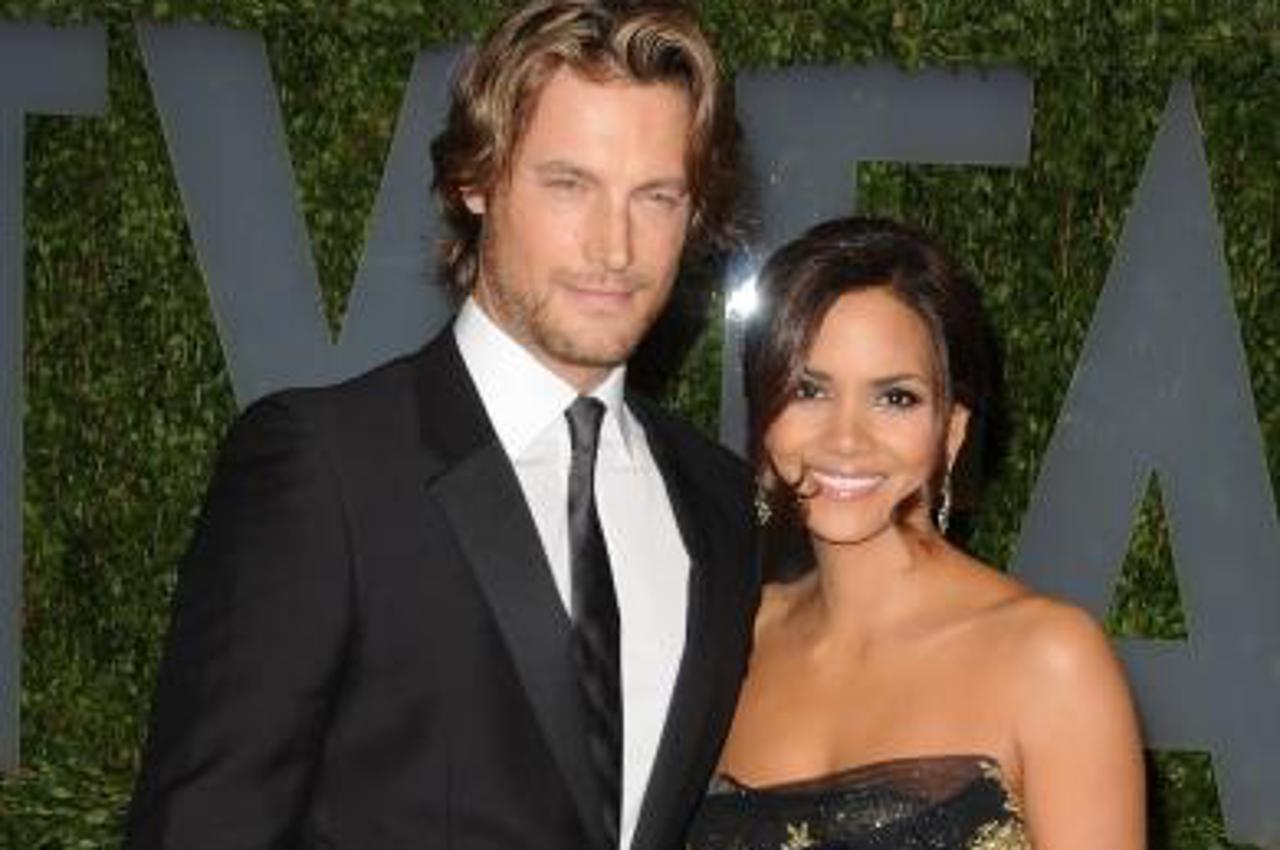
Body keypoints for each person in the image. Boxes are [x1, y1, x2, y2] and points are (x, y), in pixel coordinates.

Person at [125, 3, 758, 849]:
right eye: (569, 184)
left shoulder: (715, 498)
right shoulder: (327, 468)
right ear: (476, 179)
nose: (616, 246)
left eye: (657, 196)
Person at [686, 217, 1145, 849]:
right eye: (809, 390)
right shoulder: (733, 639)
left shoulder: (1051, 660)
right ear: (764, 416)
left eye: (894, 398)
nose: (846, 439)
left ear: (951, 432)